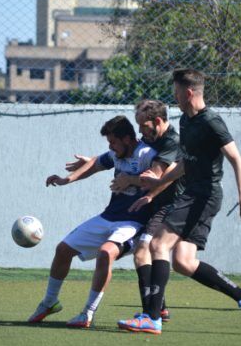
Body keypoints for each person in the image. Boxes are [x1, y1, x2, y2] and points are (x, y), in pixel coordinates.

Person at [117, 69, 241, 335]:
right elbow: (184, 163)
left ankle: (152, 317)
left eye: (175, 92)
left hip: (204, 194)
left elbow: (237, 161)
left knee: (159, 243)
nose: (174, 97)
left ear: (188, 93)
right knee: (183, 261)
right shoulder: (186, 120)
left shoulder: (212, 122)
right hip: (194, 193)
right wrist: (156, 183)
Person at [27, 115, 157, 328]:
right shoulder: (116, 154)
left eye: (113, 142)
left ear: (127, 139)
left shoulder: (147, 154)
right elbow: (95, 164)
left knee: (106, 252)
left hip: (133, 223)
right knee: (63, 249)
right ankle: (49, 303)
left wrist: (132, 180)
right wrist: (65, 180)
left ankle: (87, 314)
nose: (111, 148)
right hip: (109, 216)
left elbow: (163, 178)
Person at [65, 100, 182, 321]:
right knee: (173, 259)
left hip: (168, 205)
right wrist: (86, 165)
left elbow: (154, 178)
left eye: (142, 126)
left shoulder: (169, 143)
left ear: (157, 122)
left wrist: (128, 180)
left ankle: (151, 315)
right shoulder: (151, 140)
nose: (140, 131)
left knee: (149, 253)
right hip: (153, 203)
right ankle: (157, 310)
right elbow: (115, 158)